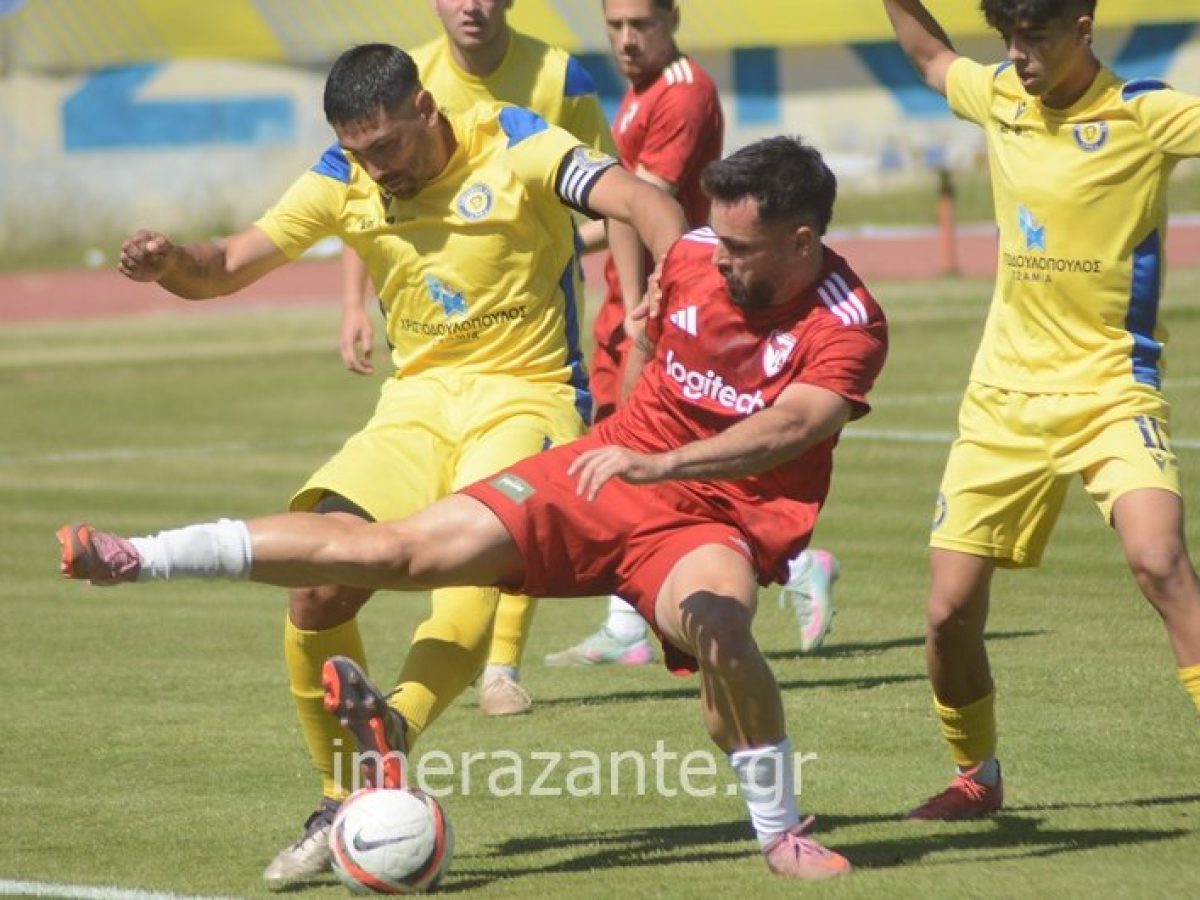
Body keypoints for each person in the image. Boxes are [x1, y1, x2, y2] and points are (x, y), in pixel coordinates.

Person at [61, 135, 889, 881]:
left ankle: (780, 833)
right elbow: (656, 267)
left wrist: (661, 460)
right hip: (603, 475)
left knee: (723, 633)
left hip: (714, 519)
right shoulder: (700, 254)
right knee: (398, 551)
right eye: (719, 240)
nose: (722, 259)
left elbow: (791, 428)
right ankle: (144, 555)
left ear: (803, 241)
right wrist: (634, 390)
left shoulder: (849, 323)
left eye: (742, 249)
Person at [110, 43, 687, 888]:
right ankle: (340, 799)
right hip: (415, 407)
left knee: (464, 574)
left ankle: (396, 732)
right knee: (315, 584)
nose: (376, 169)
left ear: (425, 109)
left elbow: (641, 198)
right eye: (360, 151)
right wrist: (168, 266)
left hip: (528, 398)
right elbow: (227, 264)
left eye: (387, 146)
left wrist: (674, 289)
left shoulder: (516, 141)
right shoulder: (344, 175)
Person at [882, 0, 1200, 820]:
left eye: (1038, 37)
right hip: (1002, 403)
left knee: (1160, 562)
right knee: (948, 613)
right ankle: (975, 779)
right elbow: (927, 58)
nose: (1020, 56)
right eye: (1010, 39)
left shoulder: (1146, 113)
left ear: (1085, 25)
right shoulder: (1000, 96)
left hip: (1111, 393)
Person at [337, 2, 624, 726]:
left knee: (513, 483)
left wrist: (640, 295)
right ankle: (441, 678)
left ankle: (501, 665)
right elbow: (361, 199)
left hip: (529, 312)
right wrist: (352, 305)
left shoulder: (560, 76)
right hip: (435, 332)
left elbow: (613, 191)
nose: (469, 5)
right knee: (460, 498)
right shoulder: (400, 78)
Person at [544, 0, 842, 669]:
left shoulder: (683, 95)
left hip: (662, 313)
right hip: (637, 306)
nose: (626, 39)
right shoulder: (639, 95)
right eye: (614, 26)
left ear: (672, 18)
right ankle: (637, 617)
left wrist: (565, 251)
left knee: (631, 458)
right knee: (620, 457)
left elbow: (638, 206)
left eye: (639, 25)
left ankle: (784, 568)